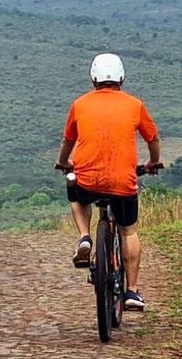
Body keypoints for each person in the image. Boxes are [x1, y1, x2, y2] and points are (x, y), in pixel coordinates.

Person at [56, 53, 162, 311]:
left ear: (93, 78)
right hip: (122, 182)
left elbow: (67, 141)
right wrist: (153, 162)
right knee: (128, 231)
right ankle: (132, 292)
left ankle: (84, 236)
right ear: (121, 78)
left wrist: (63, 162)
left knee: (77, 196)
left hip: (87, 179)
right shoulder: (134, 105)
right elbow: (153, 138)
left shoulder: (79, 104)